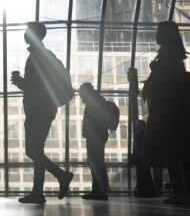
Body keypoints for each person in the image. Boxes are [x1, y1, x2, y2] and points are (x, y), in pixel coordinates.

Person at [10, 22, 74, 204]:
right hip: (44, 108)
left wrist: (19, 81)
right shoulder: (41, 55)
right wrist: (21, 82)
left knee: (32, 150)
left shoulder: (38, 57)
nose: (25, 34)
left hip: (39, 110)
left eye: (27, 32)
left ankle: (61, 175)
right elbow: (38, 86)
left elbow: (35, 87)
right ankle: (38, 191)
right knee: (37, 150)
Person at [141, 21, 190, 205]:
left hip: (168, 111)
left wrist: (155, 71)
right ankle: (182, 190)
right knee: (174, 150)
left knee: (173, 150)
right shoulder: (172, 54)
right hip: (172, 109)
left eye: (158, 32)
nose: (155, 35)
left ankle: (181, 191)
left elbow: (166, 79)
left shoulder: (168, 55)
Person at [79, 82, 113, 200]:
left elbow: (92, 121)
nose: (80, 96)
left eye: (81, 93)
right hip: (99, 135)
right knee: (97, 163)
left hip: (95, 136)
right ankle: (100, 190)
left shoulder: (93, 103)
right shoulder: (97, 100)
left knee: (95, 163)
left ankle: (99, 191)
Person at [131, 119, 156, 198]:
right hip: (145, 159)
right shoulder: (146, 134)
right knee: (146, 175)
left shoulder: (138, 135)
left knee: (141, 175)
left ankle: (142, 191)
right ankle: (149, 192)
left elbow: (136, 148)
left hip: (140, 159)